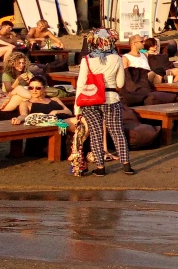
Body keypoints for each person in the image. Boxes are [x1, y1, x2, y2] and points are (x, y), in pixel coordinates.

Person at [75, 29, 135, 176]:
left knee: (95, 133)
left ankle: (100, 168)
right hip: (111, 98)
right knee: (117, 131)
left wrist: (77, 108)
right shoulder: (117, 58)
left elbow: (81, 84)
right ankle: (126, 165)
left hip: (90, 99)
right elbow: (120, 83)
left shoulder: (87, 59)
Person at [11, 75, 75, 128]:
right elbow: (24, 115)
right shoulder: (26, 103)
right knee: (79, 121)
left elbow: (69, 112)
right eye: (31, 88)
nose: (34, 90)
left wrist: (56, 111)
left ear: (44, 88)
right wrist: (18, 119)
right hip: (52, 126)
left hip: (65, 122)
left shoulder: (54, 99)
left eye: (38, 88)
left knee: (79, 121)